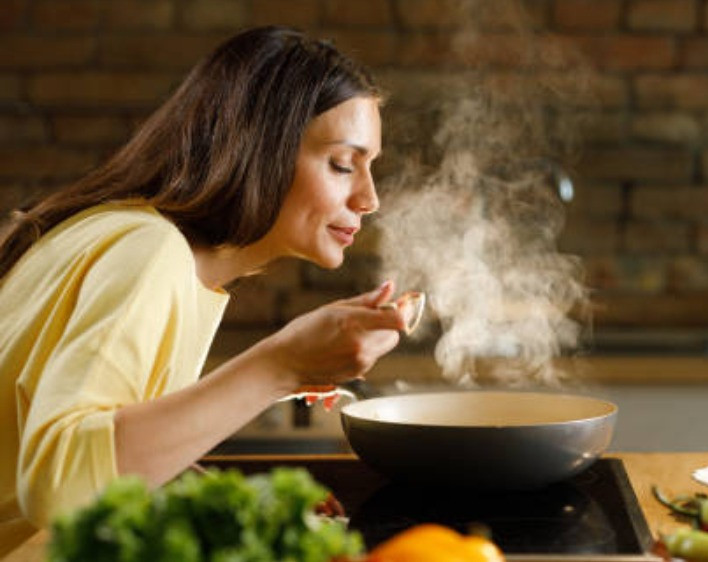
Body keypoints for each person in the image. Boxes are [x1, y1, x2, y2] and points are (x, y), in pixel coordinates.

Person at [0, 26, 407, 556]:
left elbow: (101, 461)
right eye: (342, 165)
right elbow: (60, 488)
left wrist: (218, 497)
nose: (369, 198)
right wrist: (281, 364)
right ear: (261, 149)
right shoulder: (148, 251)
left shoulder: (135, 237)